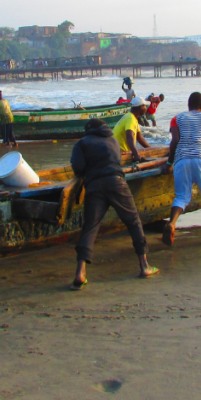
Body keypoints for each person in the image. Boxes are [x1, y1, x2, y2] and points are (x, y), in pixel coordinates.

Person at [68, 119, 156, 289]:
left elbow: (77, 167)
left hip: (94, 186)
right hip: (117, 183)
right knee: (133, 221)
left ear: (89, 130)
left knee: (90, 227)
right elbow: (117, 162)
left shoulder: (82, 143)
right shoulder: (113, 140)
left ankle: (80, 272)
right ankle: (145, 266)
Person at [161, 92, 201, 246]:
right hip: (200, 159)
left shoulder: (177, 118)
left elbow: (174, 142)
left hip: (181, 161)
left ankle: (172, 223)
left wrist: (169, 163)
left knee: (181, 197)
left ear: (188, 105)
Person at [112, 97, 150, 162]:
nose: (146, 108)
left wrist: (151, 149)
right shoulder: (131, 119)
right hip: (120, 153)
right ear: (140, 107)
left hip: (114, 149)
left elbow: (139, 138)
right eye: (145, 106)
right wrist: (136, 154)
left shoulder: (131, 117)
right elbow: (129, 136)